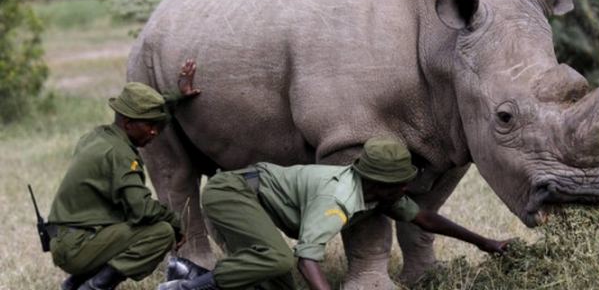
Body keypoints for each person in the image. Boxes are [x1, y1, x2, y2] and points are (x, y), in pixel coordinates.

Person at [157, 137, 512, 290]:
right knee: (279, 261)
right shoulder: (339, 199)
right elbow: (306, 259)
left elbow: (424, 218)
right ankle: (189, 287)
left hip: (256, 196)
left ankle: (186, 271)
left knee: (276, 285)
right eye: (400, 183)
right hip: (232, 192)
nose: (406, 188)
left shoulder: (377, 195)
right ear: (380, 183)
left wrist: (486, 242)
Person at [47, 59, 201, 290]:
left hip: (66, 239)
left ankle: (74, 284)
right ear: (128, 124)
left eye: (157, 126)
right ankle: (96, 286)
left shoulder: (98, 136)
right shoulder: (120, 155)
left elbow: (147, 113)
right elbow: (142, 210)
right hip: (78, 245)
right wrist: (177, 223)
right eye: (150, 126)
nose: (154, 132)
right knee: (161, 232)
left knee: (127, 219)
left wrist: (176, 96)